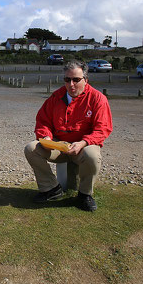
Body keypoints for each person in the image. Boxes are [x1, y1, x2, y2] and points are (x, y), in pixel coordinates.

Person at [24, 60, 113, 211]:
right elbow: (43, 121)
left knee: (92, 156)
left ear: (86, 80)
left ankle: (85, 195)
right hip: (59, 146)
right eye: (67, 80)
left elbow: (102, 129)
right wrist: (46, 137)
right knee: (31, 149)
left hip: (83, 147)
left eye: (76, 80)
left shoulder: (98, 99)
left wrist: (83, 143)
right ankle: (51, 189)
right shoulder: (56, 97)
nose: (71, 84)